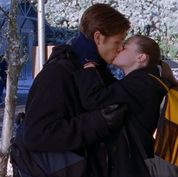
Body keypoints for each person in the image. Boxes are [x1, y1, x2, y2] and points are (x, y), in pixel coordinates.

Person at [11, 3, 130, 177]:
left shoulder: (94, 69)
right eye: (117, 42)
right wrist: (98, 122)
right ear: (98, 37)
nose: (121, 48)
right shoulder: (58, 73)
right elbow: (36, 134)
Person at [74, 34, 178, 177]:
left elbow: (94, 99)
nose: (119, 48)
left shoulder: (141, 83)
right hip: (141, 162)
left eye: (125, 47)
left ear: (141, 57)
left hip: (132, 165)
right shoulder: (147, 82)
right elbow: (114, 91)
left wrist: (88, 65)